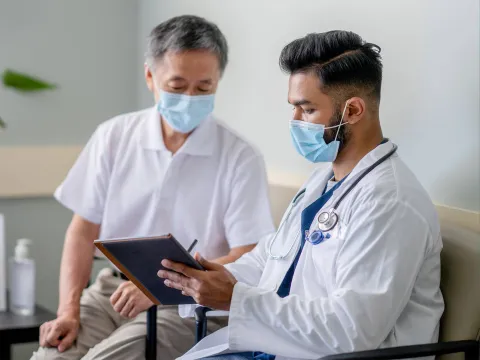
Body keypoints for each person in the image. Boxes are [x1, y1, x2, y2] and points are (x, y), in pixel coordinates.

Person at [158, 30, 444, 360]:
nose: (294, 121)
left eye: (306, 110)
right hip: (277, 345)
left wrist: (235, 298)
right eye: (293, 108)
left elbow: (353, 331)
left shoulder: (390, 203)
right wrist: (219, 278)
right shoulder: (324, 179)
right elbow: (273, 256)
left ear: (352, 111)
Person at [31, 15, 275, 360]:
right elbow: (82, 232)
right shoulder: (113, 137)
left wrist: (160, 287)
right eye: (177, 86)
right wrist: (68, 310)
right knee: (50, 356)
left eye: (204, 87)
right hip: (112, 290)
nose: (190, 97)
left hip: (189, 305)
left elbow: (249, 252)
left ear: (218, 80)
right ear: (150, 76)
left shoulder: (240, 157)